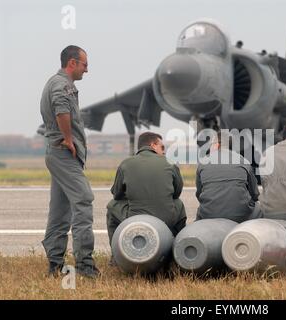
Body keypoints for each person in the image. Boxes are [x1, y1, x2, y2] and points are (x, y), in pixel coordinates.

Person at [40, 45, 99, 278]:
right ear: (72, 63)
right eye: (85, 64)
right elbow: (61, 110)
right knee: (83, 200)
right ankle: (85, 266)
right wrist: (68, 139)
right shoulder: (61, 84)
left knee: (59, 210)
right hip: (63, 153)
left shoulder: (58, 83)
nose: (87, 70)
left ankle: (55, 265)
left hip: (58, 154)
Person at [106, 132, 187, 251]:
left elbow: (116, 194)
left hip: (136, 219)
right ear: (153, 145)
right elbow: (177, 193)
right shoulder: (170, 163)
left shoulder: (126, 164)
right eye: (162, 147)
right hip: (166, 219)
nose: (164, 151)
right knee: (178, 204)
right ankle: (175, 253)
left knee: (112, 206)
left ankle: (117, 255)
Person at [195, 131, 263, 223]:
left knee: (200, 213)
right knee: (259, 207)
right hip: (241, 216)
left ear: (217, 145)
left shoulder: (203, 163)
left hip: (209, 215)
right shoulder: (244, 161)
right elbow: (255, 194)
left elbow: (199, 194)